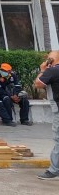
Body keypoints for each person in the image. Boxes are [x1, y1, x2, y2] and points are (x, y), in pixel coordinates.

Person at [35, 51, 59, 180]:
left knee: (58, 140)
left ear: (51, 60)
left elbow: (38, 84)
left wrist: (43, 70)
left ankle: (54, 170)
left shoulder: (52, 71)